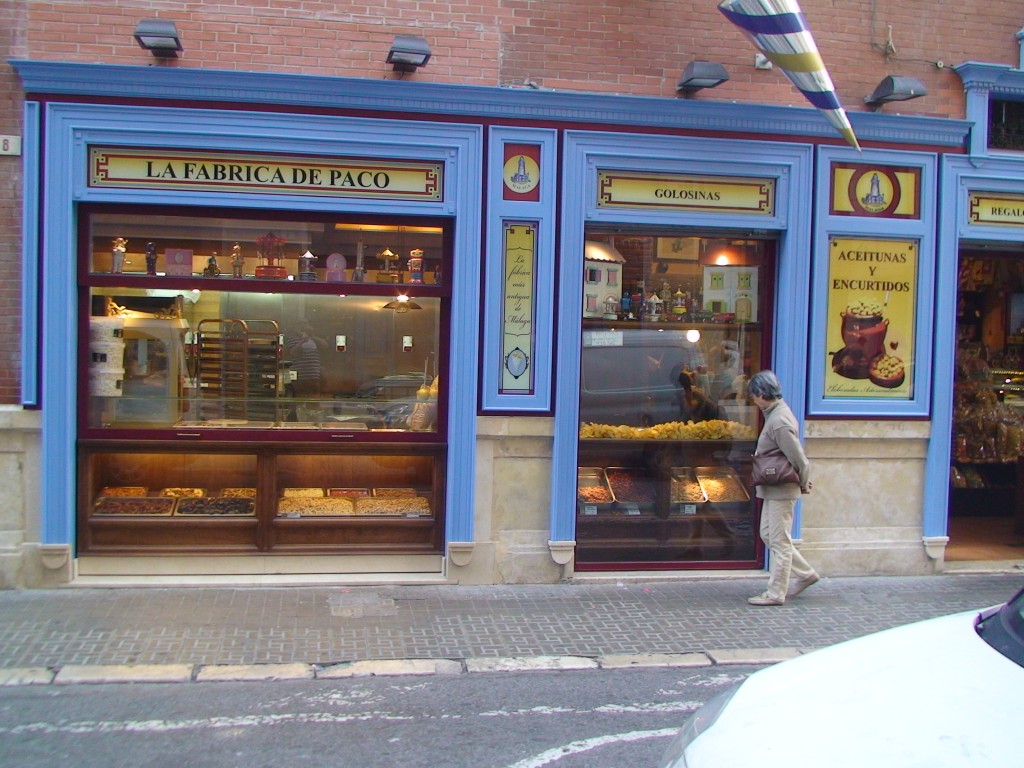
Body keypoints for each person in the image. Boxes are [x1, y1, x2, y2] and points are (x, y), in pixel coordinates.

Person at [746, 369, 819, 606]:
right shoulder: (776, 414)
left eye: (754, 396)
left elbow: (799, 459)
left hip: (781, 489)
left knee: (778, 540)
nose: (754, 401)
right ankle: (806, 574)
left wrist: (802, 482)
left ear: (761, 393)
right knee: (769, 534)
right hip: (773, 488)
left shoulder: (779, 421)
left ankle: (776, 593)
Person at [286, 319, 328, 398]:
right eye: (300, 324)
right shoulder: (292, 338)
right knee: (299, 396)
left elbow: (325, 346)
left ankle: (313, 410)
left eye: (305, 324)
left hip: (314, 374)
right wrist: (302, 341)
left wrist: (312, 336)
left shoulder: (314, 338)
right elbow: (293, 352)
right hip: (300, 374)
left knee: (314, 397)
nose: (303, 326)